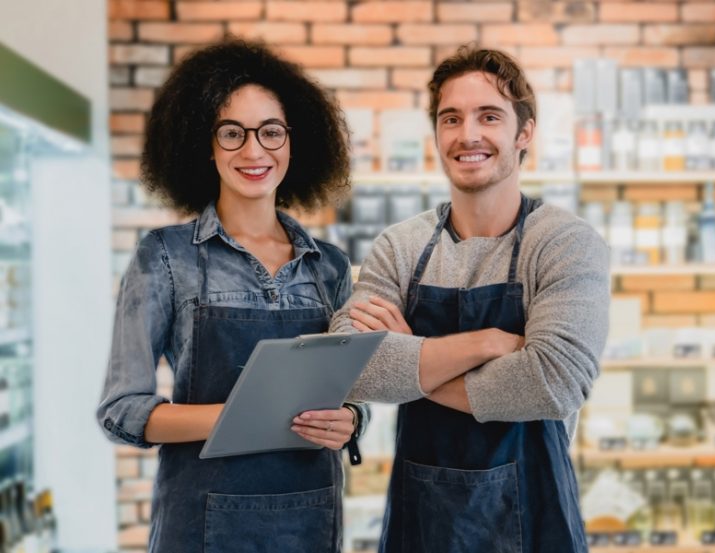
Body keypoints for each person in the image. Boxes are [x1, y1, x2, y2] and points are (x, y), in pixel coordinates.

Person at [334, 45, 610, 552]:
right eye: (451, 118)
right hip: (421, 521)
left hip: (536, 517)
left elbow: (552, 383)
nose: (468, 136)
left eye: (489, 116)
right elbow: (349, 365)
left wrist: (411, 359)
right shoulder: (401, 246)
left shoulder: (564, 243)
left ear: (523, 132)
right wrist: (487, 343)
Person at [96, 39, 367, 552]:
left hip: (311, 520)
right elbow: (122, 410)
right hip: (202, 526)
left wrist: (351, 420)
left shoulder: (328, 266)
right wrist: (242, 418)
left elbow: (346, 394)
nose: (253, 150)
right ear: (206, 144)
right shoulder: (166, 257)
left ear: (293, 141)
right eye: (231, 133)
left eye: (270, 132)